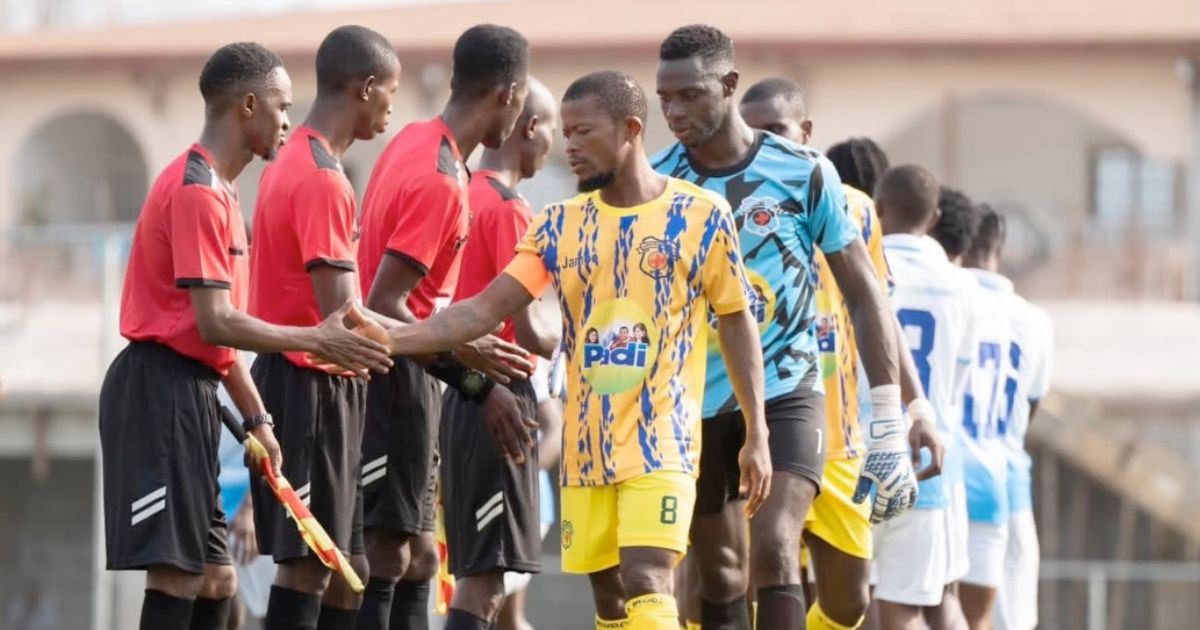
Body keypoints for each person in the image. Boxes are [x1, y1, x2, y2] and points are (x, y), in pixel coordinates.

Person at [376, 69, 772, 630]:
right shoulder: (558, 224)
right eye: (565, 133)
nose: (570, 147)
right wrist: (385, 337)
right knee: (610, 600)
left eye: (584, 132)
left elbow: (736, 323)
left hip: (665, 438)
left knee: (648, 579)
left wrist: (756, 430)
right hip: (587, 449)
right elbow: (480, 311)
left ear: (631, 129)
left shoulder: (702, 216)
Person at [98, 41, 391, 630]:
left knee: (218, 579)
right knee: (178, 576)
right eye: (281, 106)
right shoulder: (197, 191)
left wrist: (258, 420)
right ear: (248, 106)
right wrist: (314, 340)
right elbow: (216, 322)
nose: (288, 120)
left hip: (193, 392)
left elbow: (224, 339)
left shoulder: (228, 195)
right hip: (159, 392)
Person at [652, 26, 914, 630]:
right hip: (694, 397)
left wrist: (891, 418)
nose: (673, 111)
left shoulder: (804, 173)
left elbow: (864, 294)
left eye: (689, 95)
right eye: (665, 98)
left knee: (774, 542)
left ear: (729, 86)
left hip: (790, 388)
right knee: (719, 570)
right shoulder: (659, 182)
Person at [738, 78, 945, 630]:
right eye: (752, 134)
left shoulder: (853, 208)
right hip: (763, 425)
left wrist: (915, 408)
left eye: (776, 132)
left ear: (805, 133)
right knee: (753, 571)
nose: (764, 146)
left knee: (849, 599)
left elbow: (879, 310)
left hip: (842, 435)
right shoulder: (728, 206)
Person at [354, 24, 533, 630]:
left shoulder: (412, 138)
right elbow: (385, 304)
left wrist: (462, 340)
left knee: (424, 556)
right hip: (394, 376)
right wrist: (479, 386)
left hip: (415, 374)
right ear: (509, 95)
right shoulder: (442, 179)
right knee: (389, 552)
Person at [245, 25, 403, 630]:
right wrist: (450, 342)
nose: (391, 107)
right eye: (389, 92)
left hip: (318, 383)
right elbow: (344, 319)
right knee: (311, 567)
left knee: (348, 569)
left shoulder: (300, 160)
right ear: (366, 88)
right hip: (307, 383)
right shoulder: (320, 176)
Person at [438, 77, 562, 629]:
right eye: (557, 129)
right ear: (531, 127)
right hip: (501, 401)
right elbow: (533, 333)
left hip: (457, 393)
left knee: (479, 577)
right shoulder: (512, 210)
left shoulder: (462, 191)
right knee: (486, 584)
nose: (556, 144)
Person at [872, 165, 979, 630]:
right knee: (905, 607)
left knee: (841, 600)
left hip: (853, 453)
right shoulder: (962, 286)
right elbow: (957, 384)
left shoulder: (855, 269)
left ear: (876, 210)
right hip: (924, 462)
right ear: (934, 218)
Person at [957, 206, 1015, 630]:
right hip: (995, 474)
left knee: (911, 606)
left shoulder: (950, 295)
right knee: (978, 620)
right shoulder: (1028, 318)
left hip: (941, 472)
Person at [993, 257, 1053, 630]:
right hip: (1005, 475)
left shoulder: (960, 301)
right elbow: (1032, 402)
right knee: (1010, 616)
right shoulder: (1031, 319)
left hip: (942, 470)